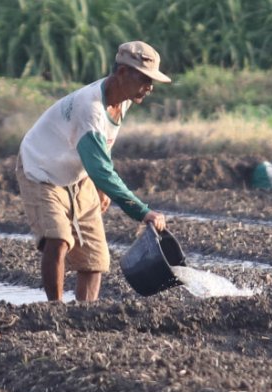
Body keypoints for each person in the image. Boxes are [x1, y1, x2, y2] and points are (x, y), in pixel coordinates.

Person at [16, 41, 171, 302]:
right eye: (144, 78)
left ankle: (84, 315)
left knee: (94, 259)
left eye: (151, 80)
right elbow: (100, 166)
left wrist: (98, 185)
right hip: (41, 168)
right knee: (59, 239)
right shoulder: (91, 109)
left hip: (77, 171)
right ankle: (56, 311)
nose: (150, 86)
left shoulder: (124, 99)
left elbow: (102, 147)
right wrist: (142, 212)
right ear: (122, 73)